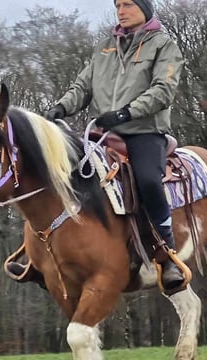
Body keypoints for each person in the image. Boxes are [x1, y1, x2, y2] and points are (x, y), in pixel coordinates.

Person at [43, 0, 185, 292]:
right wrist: (60, 108)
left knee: (148, 181)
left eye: (128, 4)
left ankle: (167, 253)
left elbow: (164, 89)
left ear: (145, 8)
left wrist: (126, 112)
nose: (121, 10)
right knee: (63, 174)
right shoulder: (105, 46)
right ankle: (41, 253)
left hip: (145, 132)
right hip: (103, 134)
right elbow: (83, 86)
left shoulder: (163, 45)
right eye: (117, 4)